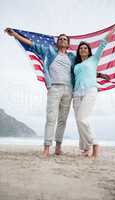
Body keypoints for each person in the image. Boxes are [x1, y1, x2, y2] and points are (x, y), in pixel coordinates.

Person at [4, 28, 75, 157]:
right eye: (61, 39)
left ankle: (58, 147)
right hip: (54, 88)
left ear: (68, 44)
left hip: (68, 90)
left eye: (65, 39)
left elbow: (84, 64)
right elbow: (32, 44)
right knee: (51, 119)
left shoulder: (72, 57)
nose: (63, 40)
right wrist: (14, 34)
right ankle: (47, 148)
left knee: (62, 120)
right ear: (57, 43)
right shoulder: (49, 51)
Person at [73, 24, 115, 158]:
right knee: (79, 122)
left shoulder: (94, 59)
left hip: (90, 91)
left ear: (88, 51)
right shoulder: (76, 65)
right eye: (80, 48)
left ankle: (95, 144)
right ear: (78, 51)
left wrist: (113, 30)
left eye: (85, 48)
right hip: (76, 94)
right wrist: (98, 75)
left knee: (82, 119)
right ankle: (85, 149)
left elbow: (103, 43)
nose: (82, 49)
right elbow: (82, 75)